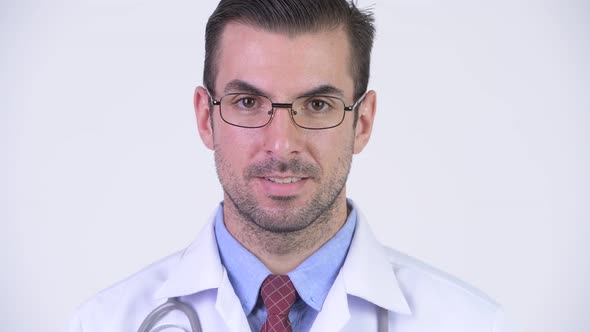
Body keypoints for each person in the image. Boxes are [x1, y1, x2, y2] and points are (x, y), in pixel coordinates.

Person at [68, 0, 510, 331]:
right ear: (206, 118)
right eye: (247, 102)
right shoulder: (103, 323)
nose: (282, 144)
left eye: (317, 104)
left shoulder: (474, 323)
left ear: (363, 122)